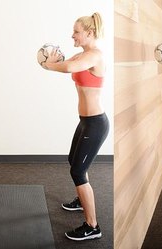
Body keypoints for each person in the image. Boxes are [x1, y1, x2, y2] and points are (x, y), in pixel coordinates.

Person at [43, 12, 109, 241]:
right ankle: (81, 201)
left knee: (78, 171)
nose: (73, 35)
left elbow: (70, 68)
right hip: (85, 122)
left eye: (76, 31)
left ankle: (93, 225)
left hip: (96, 124)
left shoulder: (95, 56)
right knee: (74, 161)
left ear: (89, 33)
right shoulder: (82, 55)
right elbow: (69, 64)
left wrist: (50, 65)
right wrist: (55, 59)